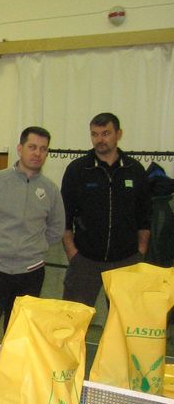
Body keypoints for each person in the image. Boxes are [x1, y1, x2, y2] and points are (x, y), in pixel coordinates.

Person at [0, 126, 65, 342]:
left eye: (43, 149)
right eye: (32, 147)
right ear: (20, 148)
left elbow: (56, 228)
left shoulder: (50, 190)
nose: (37, 153)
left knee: (19, 334)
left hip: (30, 273)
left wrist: (34, 249)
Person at [61, 112, 150, 308]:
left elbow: (144, 216)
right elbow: (64, 216)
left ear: (119, 134)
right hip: (85, 260)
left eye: (106, 133)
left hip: (126, 260)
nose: (100, 139)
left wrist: (140, 252)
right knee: (73, 318)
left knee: (124, 318)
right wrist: (72, 253)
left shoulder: (135, 170)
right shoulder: (77, 170)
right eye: (95, 134)